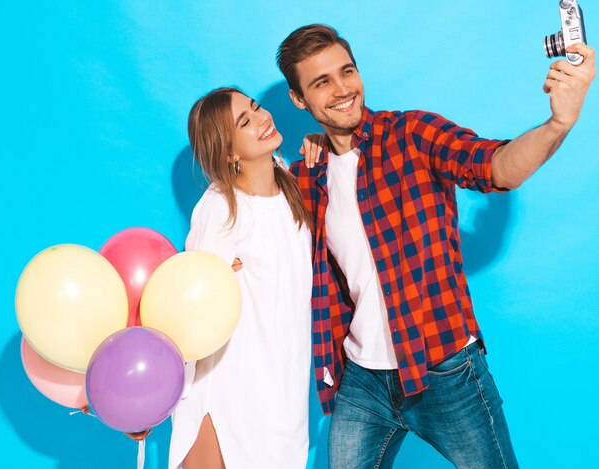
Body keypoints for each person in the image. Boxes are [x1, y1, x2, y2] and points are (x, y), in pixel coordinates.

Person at [276, 24, 595, 468]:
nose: (342, 89)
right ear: (299, 99)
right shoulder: (308, 174)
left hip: (443, 370)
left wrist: (560, 122)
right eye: (321, 82)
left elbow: (496, 167)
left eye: (346, 72)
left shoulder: (411, 134)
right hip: (362, 379)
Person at [168, 87, 313, 469]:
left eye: (256, 108)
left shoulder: (290, 185)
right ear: (228, 151)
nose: (263, 118)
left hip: (281, 392)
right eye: (245, 122)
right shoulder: (219, 207)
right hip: (225, 392)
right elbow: (187, 310)